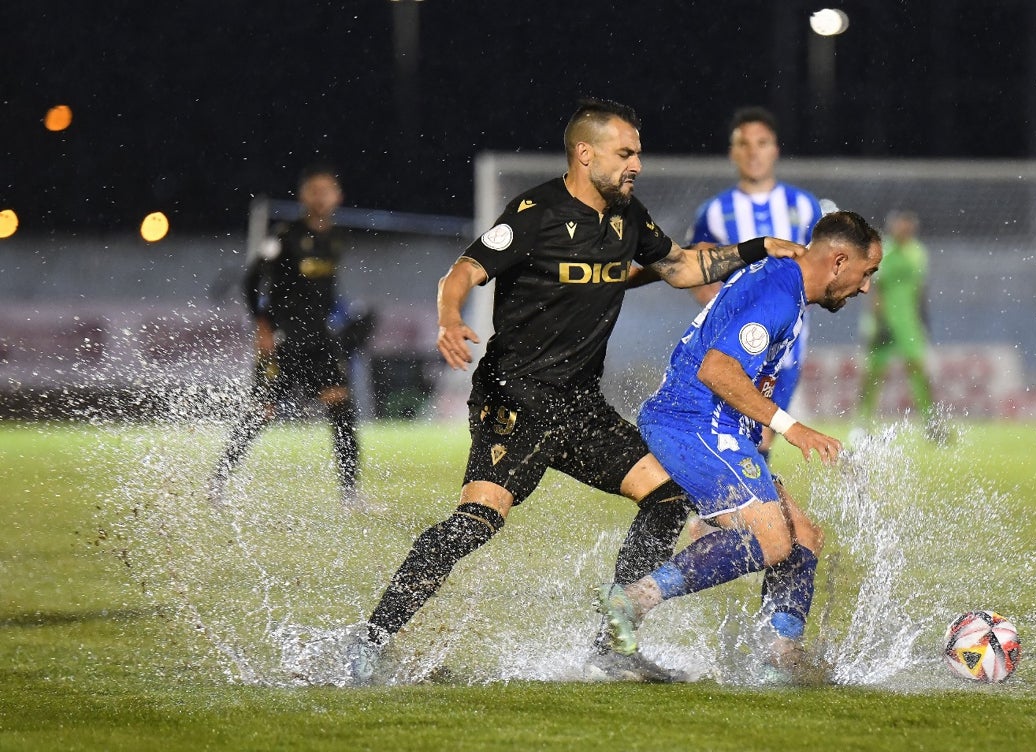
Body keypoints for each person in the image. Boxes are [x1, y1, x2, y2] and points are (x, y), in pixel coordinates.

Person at [348, 98, 805, 683]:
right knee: (477, 521)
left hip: (581, 405)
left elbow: (683, 268)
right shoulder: (536, 212)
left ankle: (612, 642)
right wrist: (448, 317)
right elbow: (462, 270)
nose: (636, 163)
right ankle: (373, 640)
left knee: (667, 499)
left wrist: (754, 249)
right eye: (625, 152)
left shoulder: (628, 218)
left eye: (637, 152)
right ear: (585, 154)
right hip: (515, 401)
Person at [595, 211, 882, 684]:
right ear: (838, 261)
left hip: (721, 427)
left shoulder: (784, 282)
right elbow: (716, 369)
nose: (866, 287)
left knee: (803, 535)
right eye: (866, 272)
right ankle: (632, 600)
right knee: (770, 540)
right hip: (692, 423)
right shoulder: (778, 294)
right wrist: (792, 427)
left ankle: (779, 656)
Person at [208, 164, 372, 510]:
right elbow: (252, 282)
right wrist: (263, 326)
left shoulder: (337, 237)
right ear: (303, 196)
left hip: (319, 339)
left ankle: (350, 495)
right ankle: (218, 482)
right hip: (284, 338)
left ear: (338, 197)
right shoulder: (284, 236)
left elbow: (325, 290)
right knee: (261, 411)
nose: (321, 197)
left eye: (327, 190)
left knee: (341, 406)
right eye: (314, 190)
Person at [688, 107, 831, 457]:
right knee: (737, 434)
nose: (753, 152)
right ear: (732, 152)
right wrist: (719, 309)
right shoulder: (714, 212)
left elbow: (826, 264)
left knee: (761, 435)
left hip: (787, 351)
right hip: (735, 348)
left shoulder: (805, 205)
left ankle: (734, 508)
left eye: (762, 143)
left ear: (775, 149)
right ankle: (735, 508)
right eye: (744, 144)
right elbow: (695, 267)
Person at [856, 210, 941, 439]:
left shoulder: (918, 252)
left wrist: (923, 319)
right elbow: (876, 289)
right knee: (874, 373)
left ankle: (931, 423)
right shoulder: (884, 251)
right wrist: (877, 322)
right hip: (884, 322)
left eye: (908, 225)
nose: (904, 229)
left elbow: (920, 289)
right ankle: (862, 424)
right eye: (900, 225)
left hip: (909, 323)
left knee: (919, 370)